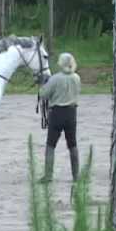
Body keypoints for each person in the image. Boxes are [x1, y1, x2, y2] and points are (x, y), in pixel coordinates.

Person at [39, 52, 81, 183]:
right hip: (71, 113)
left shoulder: (55, 78)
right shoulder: (76, 77)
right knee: (72, 144)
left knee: (50, 144)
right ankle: (76, 176)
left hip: (57, 113)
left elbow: (44, 94)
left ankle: (48, 175)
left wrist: (42, 85)